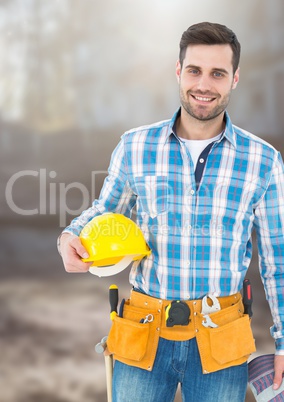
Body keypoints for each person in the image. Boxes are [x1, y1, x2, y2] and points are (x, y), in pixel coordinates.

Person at [58, 22, 284, 402]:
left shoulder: (264, 161)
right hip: (144, 333)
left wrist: (283, 341)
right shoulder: (135, 146)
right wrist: (69, 237)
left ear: (235, 78)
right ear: (178, 71)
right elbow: (105, 211)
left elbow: (278, 258)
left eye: (218, 73)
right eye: (194, 70)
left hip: (222, 338)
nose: (204, 84)